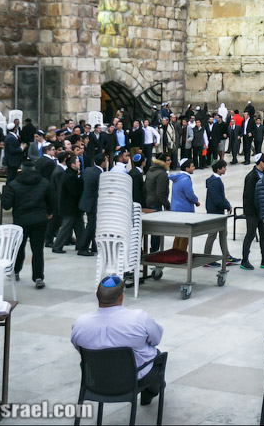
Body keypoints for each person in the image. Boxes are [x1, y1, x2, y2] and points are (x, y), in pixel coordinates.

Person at [71, 276, 165, 408]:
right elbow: (155, 340)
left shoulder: (80, 323)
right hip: (133, 380)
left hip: (96, 380)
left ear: (97, 295)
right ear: (121, 296)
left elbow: (79, 348)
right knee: (158, 356)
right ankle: (150, 391)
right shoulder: (139, 318)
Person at [2, 160, 51, 289]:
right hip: (39, 220)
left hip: (20, 221)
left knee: (18, 247)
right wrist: (49, 213)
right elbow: (51, 200)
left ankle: (16, 271)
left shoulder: (13, 185)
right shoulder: (44, 183)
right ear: (34, 169)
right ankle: (38, 277)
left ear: (21, 170)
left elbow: (6, 206)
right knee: (38, 249)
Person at [202, 160, 235, 264]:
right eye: (224, 167)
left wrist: (227, 203)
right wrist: (226, 205)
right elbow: (217, 199)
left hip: (217, 212)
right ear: (219, 169)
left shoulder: (215, 180)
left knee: (223, 233)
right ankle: (206, 258)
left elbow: (221, 197)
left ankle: (227, 256)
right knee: (212, 235)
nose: (225, 169)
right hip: (214, 213)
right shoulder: (215, 182)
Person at [239, 154, 264, 270]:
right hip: (252, 211)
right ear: (260, 162)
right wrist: (254, 210)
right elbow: (249, 196)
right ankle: (245, 260)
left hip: (262, 210)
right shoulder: (252, 177)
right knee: (250, 234)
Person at [53, 154, 85, 254]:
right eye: (77, 161)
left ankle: (81, 246)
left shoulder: (69, 174)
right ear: (72, 165)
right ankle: (57, 246)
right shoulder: (70, 176)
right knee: (66, 228)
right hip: (70, 207)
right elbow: (75, 192)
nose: (79, 163)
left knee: (80, 228)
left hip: (73, 207)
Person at [76, 154, 105, 257]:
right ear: (103, 162)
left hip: (86, 201)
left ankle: (93, 245)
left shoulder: (88, 170)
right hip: (93, 203)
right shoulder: (100, 174)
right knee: (91, 226)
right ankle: (83, 247)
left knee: (92, 225)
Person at [169, 158, 200, 251]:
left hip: (176, 208)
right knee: (185, 234)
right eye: (192, 166)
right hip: (184, 209)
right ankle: (181, 254)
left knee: (178, 233)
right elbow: (189, 194)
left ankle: (175, 251)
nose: (194, 168)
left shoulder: (178, 177)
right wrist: (196, 201)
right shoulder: (185, 179)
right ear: (186, 168)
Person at [144, 153, 171, 253]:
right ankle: (154, 251)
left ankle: (152, 249)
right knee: (157, 230)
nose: (170, 161)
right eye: (168, 160)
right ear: (163, 162)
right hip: (156, 203)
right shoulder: (161, 174)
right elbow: (161, 193)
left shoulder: (151, 170)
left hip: (149, 201)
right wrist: (167, 205)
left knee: (152, 229)